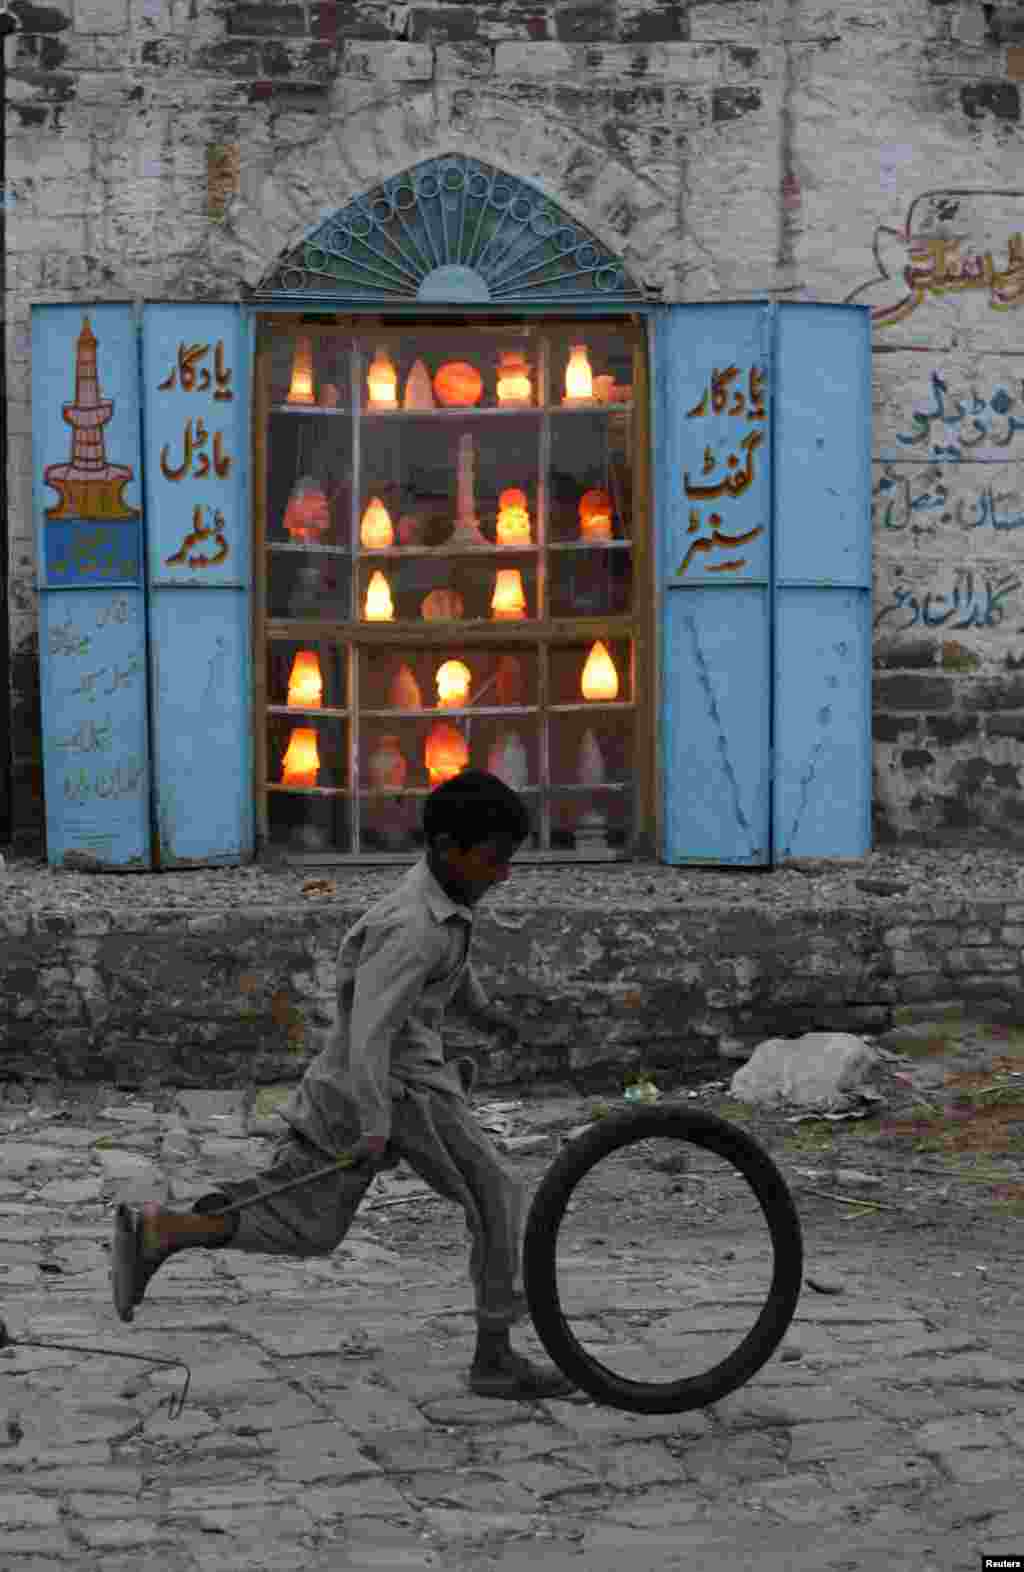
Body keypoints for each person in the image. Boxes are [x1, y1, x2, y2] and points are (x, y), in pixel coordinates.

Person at [112, 770, 575, 1401]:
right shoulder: (411, 927)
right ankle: (494, 1358)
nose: (503, 874)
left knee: (311, 1225)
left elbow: (446, 980)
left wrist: (493, 1019)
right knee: (496, 1197)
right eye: (494, 859)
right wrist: (377, 1122)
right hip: (397, 1092)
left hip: (375, 1089)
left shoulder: (445, 907)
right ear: (446, 846)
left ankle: (168, 1230)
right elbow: (370, 1035)